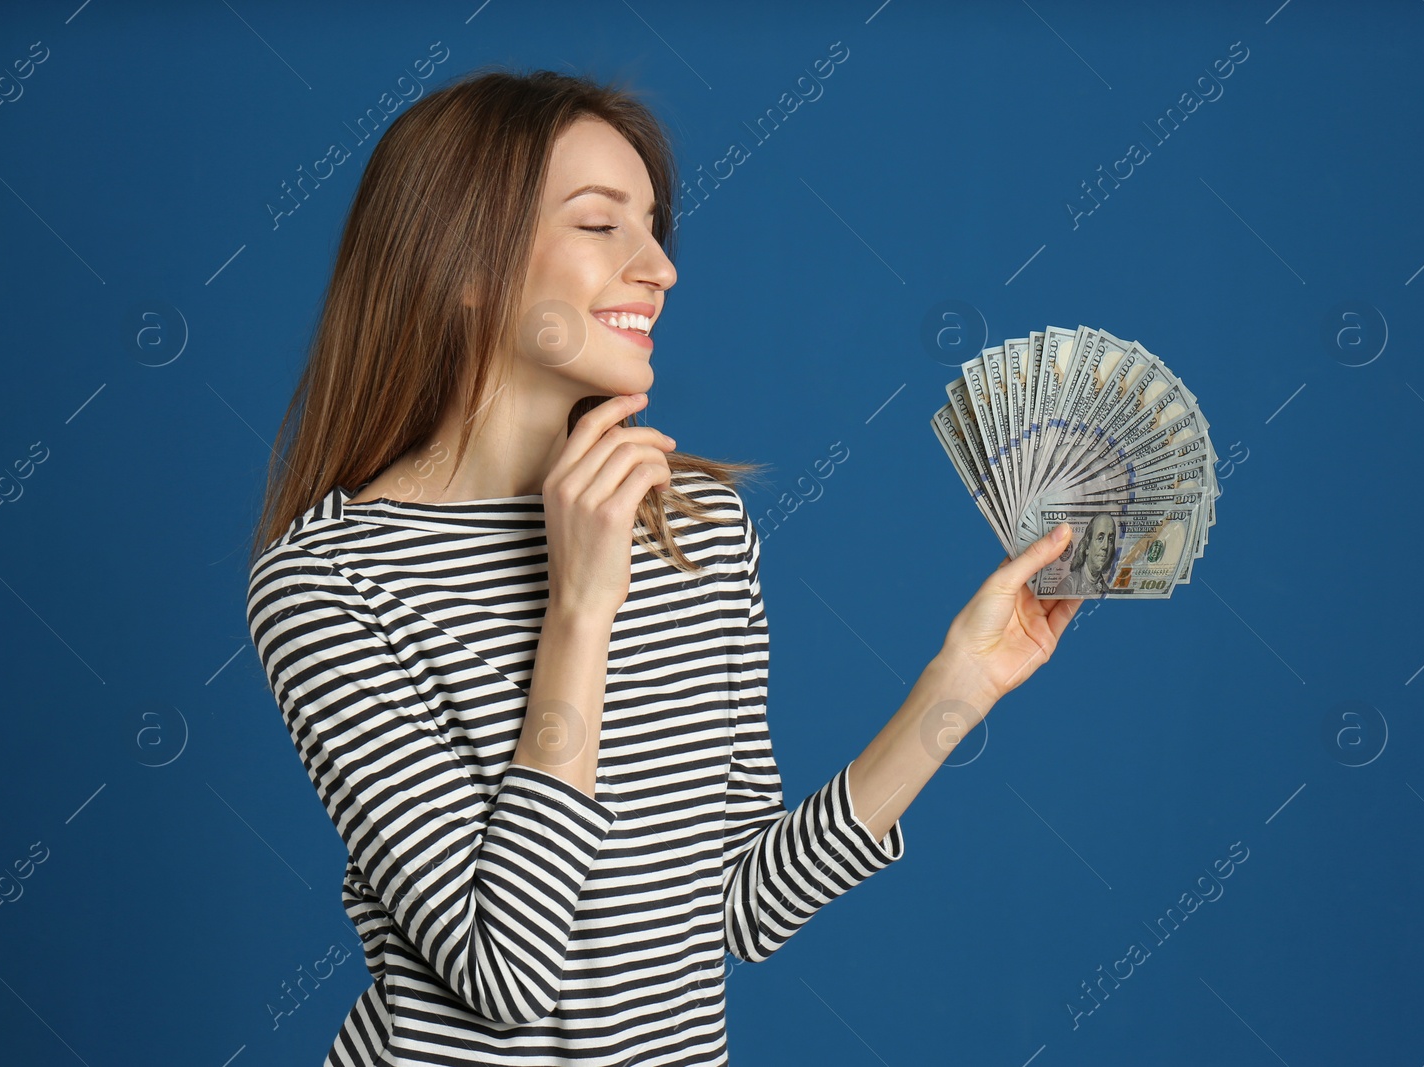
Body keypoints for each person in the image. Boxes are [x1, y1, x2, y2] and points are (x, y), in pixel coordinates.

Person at [245, 66, 1082, 1067]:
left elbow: (739, 902)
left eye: (653, 225)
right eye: (602, 226)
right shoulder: (329, 582)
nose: (659, 267)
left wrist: (959, 683)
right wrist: (578, 610)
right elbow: (504, 975)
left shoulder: (698, 525)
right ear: (462, 259)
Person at [1057, 512, 1116, 596]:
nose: (1105, 546)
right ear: (1087, 546)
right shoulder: (1068, 587)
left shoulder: (1106, 591)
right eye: (1100, 538)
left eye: (1110, 540)